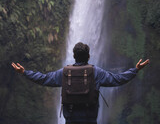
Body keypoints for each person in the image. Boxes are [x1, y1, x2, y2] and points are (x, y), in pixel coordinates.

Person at [12, 42, 150, 124]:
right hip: (89, 118)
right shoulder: (96, 72)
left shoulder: (65, 72)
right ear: (88, 56)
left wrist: (25, 72)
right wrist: (135, 70)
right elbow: (118, 79)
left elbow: (43, 79)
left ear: (74, 56)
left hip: (70, 117)